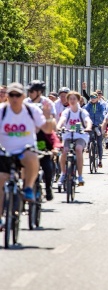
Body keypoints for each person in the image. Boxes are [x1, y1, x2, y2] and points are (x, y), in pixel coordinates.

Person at [0, 83, 54, 227]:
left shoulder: (32, 111)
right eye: (11, 95)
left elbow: (48, 130)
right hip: (5, 152)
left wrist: (48, 117)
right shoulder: (2, 111)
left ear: (23, 96)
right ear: (7, 97)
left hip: (24, 151)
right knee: (1, 179)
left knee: (32, 157)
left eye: (18, 95)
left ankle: (28, 187)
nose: (14, 98)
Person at [24, 80, 59, 201]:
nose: (29, 93)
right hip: (27, 136)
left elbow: (52, 121)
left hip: (43, 136)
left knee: (47, 165)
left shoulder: (47, 102)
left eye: (32, 91)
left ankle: (48, 187)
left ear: (39, 92)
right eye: (28, 91)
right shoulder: (25, 102)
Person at [57, 91, 92, 187]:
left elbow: (87, 120)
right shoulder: (66, 112)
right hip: (68, 135)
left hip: (81, 135)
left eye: (74, 99)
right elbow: (62, 120)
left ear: (78, 100)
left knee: (78, 149)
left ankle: (80, 176)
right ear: (68, 101)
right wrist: (59, 127)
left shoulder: (82, 112)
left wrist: (88, 127)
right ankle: (63, 174)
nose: (72, 101)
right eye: (70, 99)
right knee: (65, 150)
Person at [84, 92, 106, 168]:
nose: (93, 99)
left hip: (98, 125)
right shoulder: (88, 105)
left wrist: (103, 121)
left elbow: (103, 113)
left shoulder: (100, 105)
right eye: (91, 97)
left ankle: (100, 160)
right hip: (90, 125)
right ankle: (89, 148)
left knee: (99, 143)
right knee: (90, 138)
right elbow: (85, 112)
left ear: (97, 98)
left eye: (94, 97)